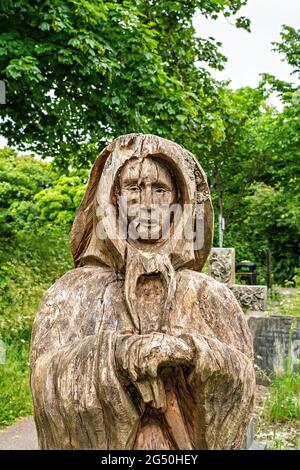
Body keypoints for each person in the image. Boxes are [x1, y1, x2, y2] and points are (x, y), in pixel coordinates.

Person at [30, 133, 255, 450]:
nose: (147, 202)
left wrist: (189, 352)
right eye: (134, 189)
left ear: (179, 202)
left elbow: (243, 377)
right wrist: (115, 356)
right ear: (113, 200)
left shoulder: (209, 293)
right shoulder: (71, 292)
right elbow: (44, 379)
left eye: (160, 190)